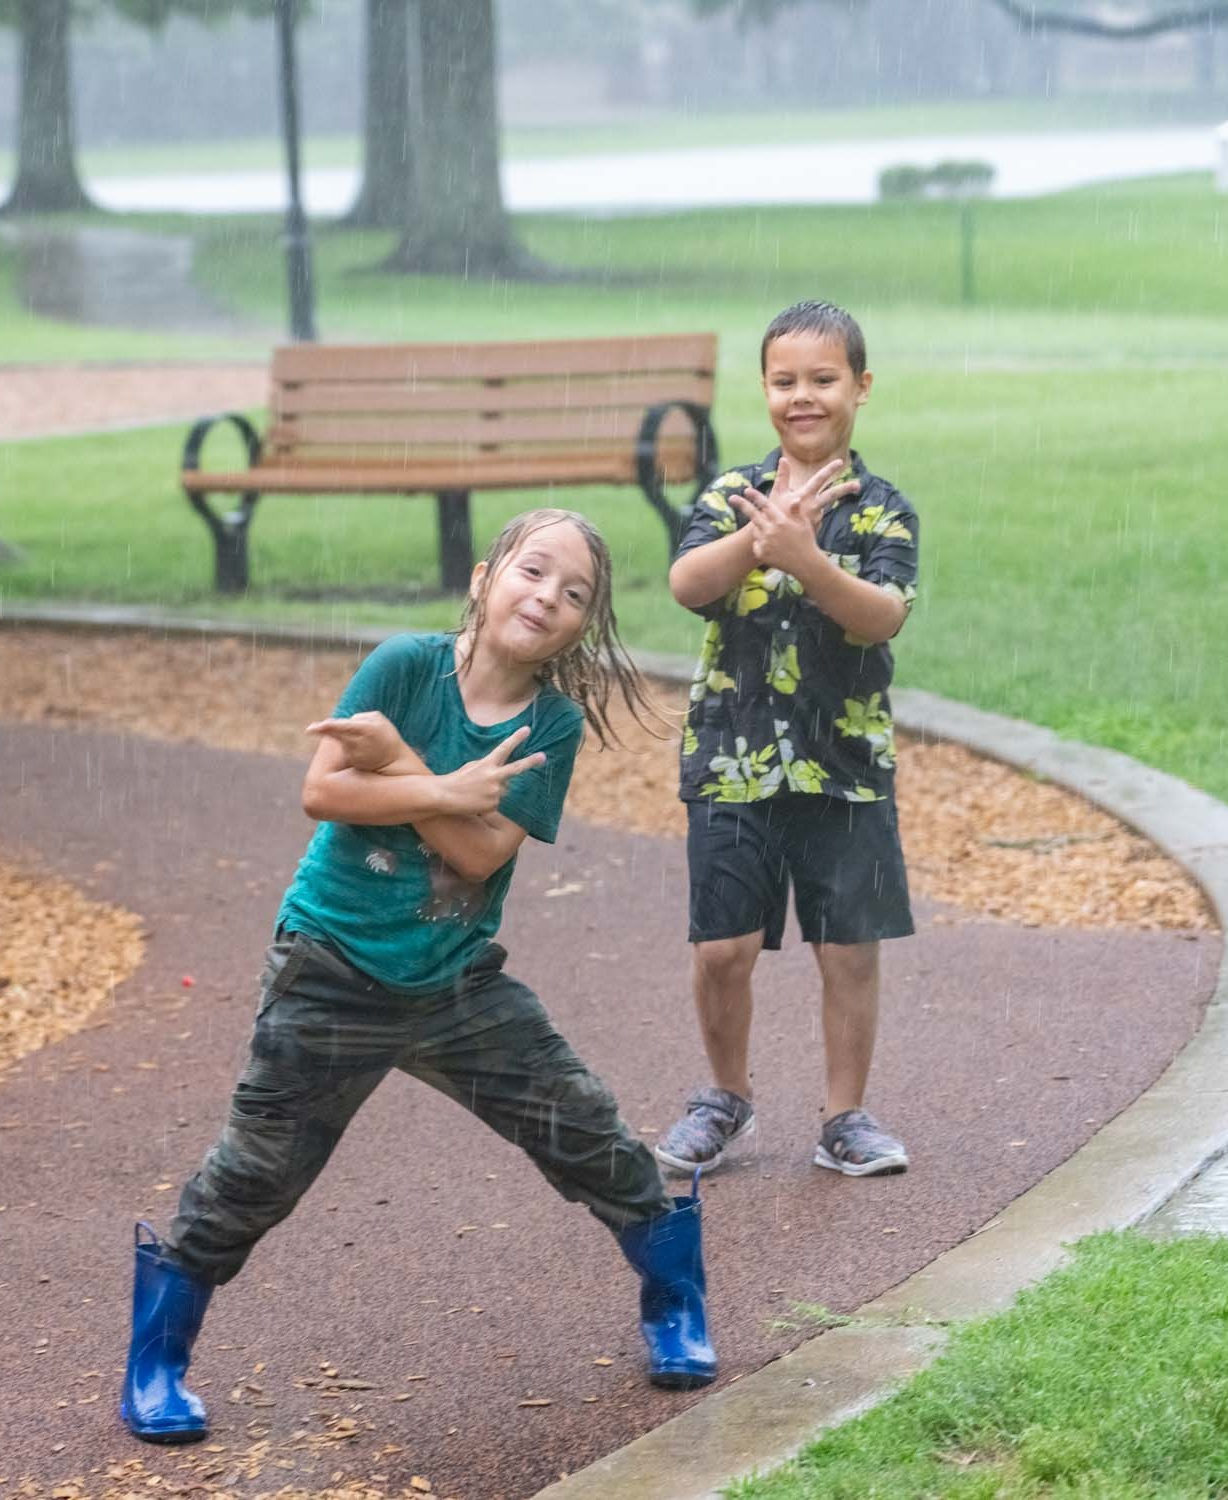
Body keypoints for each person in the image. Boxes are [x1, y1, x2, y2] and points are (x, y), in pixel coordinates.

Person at [122, 509, 716, 1445]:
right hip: (330, 966)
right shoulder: (404, 667)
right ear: (484, 578)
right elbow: (325, 790)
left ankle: (675, 1303)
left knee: (587, 1130)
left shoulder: (551, 724)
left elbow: (480, 856)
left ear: (582, 626)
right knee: (255, 1173)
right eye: (532, 571)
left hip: (455, 982)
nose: (547, 598)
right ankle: (156, 1363)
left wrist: (398, 766)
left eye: (574, 595)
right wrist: (441, 786)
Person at [656, 300, 921, 1182]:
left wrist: (805, 557)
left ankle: (845, 1116)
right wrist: (759, 537)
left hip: (845, 767)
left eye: (823, 379)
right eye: (784, 381)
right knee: (721, 948)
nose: (802, 396)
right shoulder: (731, 496)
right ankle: (724, 1097)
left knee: (847, 948)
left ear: (861, 387)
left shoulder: (884, 511)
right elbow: (689, 583)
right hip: (731, 761)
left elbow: (881, 615)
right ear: (764, 390)